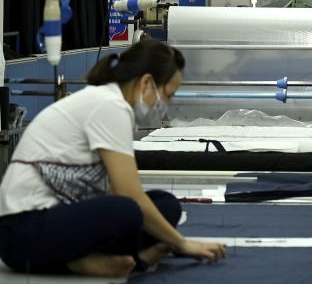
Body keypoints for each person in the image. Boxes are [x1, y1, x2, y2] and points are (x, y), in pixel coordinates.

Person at [0, 37, 227, 276]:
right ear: (147, 83)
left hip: (51, 222)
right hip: (20, 233)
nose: (166, 105)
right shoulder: (109, 105)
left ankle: (97, 257)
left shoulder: (112, 104)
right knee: (127, 210)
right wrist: (182, 243)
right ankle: (86, 261)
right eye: (168, 95)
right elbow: (128, 193)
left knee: (166, 205)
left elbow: (108, 192)